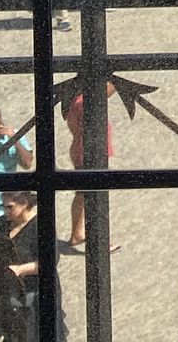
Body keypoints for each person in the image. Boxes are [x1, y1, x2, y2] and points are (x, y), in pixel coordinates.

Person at [1, 189, 66, 341]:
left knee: (34, 332)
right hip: (11, 291)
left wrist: (19, 270)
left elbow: (50, 261)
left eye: (10, 207)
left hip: (36, 291)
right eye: (3, 207)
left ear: (24, 203)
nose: (6, 212)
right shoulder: (3, 224)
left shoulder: (40, 225)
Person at [64, 80, 118, 253]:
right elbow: (107, 90)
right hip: (91, 152)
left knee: (82, 194)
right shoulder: (84, 101)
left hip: (82, 150)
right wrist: (114, 77)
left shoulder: (74, 100)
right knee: (96, 195)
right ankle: (98, 240)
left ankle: (76, 233)